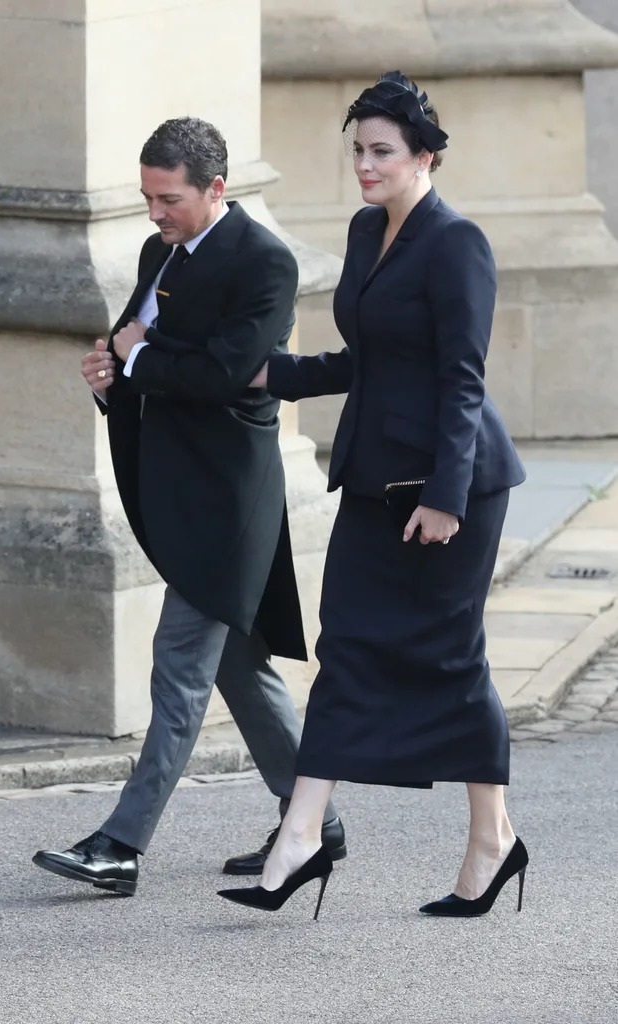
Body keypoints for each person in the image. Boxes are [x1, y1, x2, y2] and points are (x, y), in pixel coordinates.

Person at [218, 73, 529, 920]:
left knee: (450, 658)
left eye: (382, 151)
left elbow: (462, 379)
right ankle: (302, 835)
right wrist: (277, 373)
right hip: (372, 481)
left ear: (424, 156)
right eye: (357, 149)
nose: (364, 165)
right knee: (347, 645)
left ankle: (492, 841)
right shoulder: (365, 232)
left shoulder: (455, 242)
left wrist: (447, 494)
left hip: (449, 489)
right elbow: (373, 360)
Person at [32, 116, 346, 897]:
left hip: (227, 500)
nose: (154, 213)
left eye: (167, 198)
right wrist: (113, 371)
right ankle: (317, 822)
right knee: (240, 667)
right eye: (146, 197)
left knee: (179, 670)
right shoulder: (157, 251)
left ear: (216, 187)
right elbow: (145, 350)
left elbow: (228, 372)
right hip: (180, 488)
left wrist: (138, 352)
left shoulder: (264, 262)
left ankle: (120, 844)